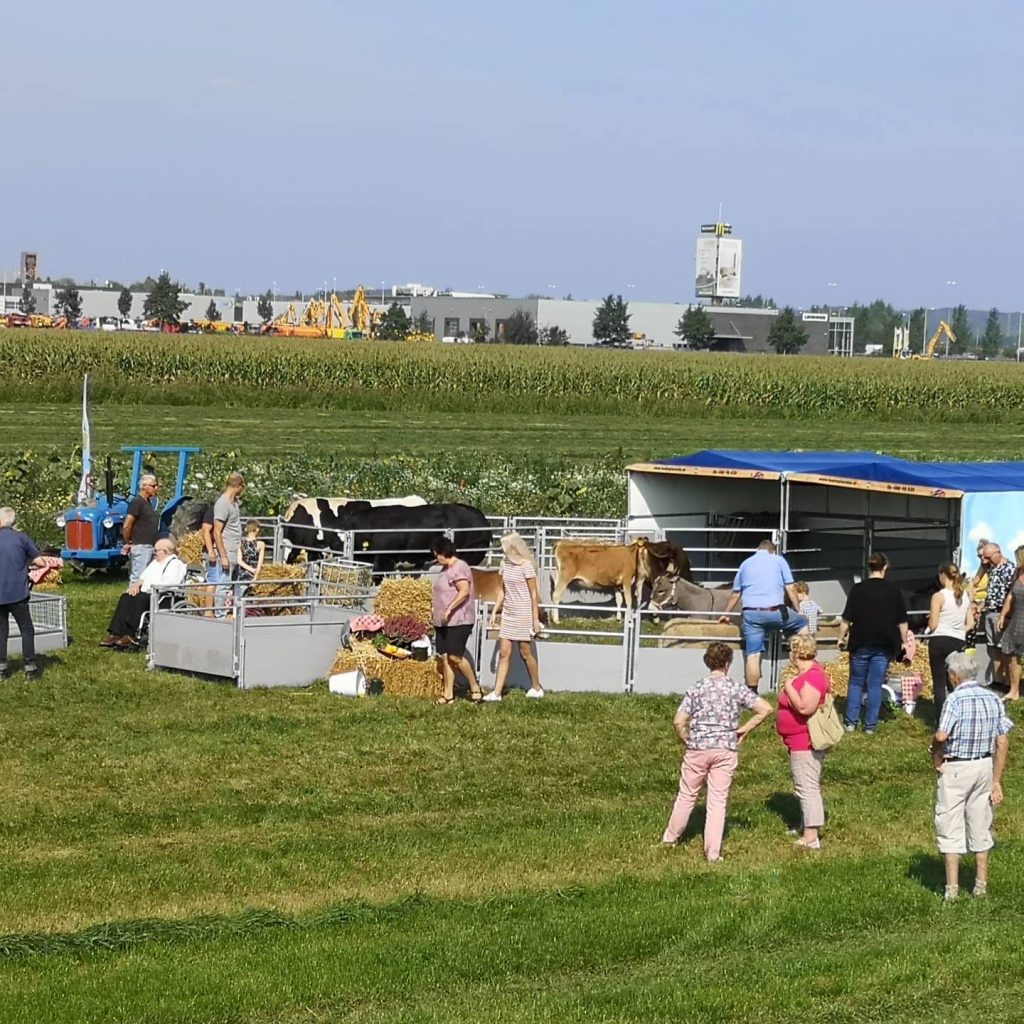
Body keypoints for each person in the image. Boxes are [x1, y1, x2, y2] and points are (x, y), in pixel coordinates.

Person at [661, 642, 773, 861]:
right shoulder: (735, 688)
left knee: (687, 795)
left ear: (707, 662)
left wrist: (686, 737)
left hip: (698, 748)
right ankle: (713, 853)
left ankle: (670, 839)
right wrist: (744, 729)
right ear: (728, 664)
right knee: (717, 801)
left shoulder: (697, 688)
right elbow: (765, 709)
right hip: (725, 748)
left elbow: (679, 720)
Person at [931, 650, 1012, 901]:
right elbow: (1002, 741)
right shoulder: (994, 699)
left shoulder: (954, 701)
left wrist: (936, 756)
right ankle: (980, 885)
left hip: (958, 767)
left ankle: (952, 889)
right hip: (984, 765)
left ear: (954, 676)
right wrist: (996, 779)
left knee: (950, 822)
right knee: (980, 821)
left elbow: (942, 736)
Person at [719, 539, 809, 690]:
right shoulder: (779, 560)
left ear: (757, 549)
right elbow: (790, 588)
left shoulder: (745, 564)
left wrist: (725, 614)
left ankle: (752, 694)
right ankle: (804, 669)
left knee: (753, 655)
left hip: (752, 614)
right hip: (775, 611)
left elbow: (735, 594)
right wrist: (798, 610)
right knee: (803, 624)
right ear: (772, 551)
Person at [838, 552, 908, 734]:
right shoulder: (893, 590)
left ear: (869, 567)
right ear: (885, 567)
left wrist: (841, 638)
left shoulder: (857, 589)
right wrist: (903, 642)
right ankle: (870, 726)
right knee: (875, 684)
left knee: (855, 682)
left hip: (860, 641)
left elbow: (846, 618)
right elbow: (902, 621)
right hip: (884, 643)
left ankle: (850, 723)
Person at [776, 634, 831, 850]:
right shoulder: (806, 674)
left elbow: (805, 707)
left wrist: (789, 687)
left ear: (796, 652)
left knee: (807, 786)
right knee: (803, 785)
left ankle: (811, 836)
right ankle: (805, 825)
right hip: (796, 740)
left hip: (804, 741)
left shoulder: (813, 677)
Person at [484, 533, 544, 702]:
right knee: (504, 653)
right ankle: (496, 692)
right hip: (508, 613)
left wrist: (535, 619)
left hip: (523, 613)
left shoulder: (526, 566)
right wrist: (495, 611)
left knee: (526, 652)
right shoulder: (504, 565)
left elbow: (533, 594)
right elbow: (502, 590)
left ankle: (536, 686)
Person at [100, 537, 187, 649]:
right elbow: (142, 578)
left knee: (141, 599)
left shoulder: (175, 564)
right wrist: (135, 586)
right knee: (126, 597)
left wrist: (148, 589)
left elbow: (168, 584)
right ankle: (116, 633)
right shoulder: (155, 563)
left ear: (165, 551)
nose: (154, 553)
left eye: (156, 551)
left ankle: (131, 634)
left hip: (163, 596)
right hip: (148, 593)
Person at [431, 537, 483, 704]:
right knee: (446, 657)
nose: (436, 558)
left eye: (436, 554)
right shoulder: (445, 569)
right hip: (443, 621)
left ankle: (474, 687)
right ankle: (448, 694)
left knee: (455, 656)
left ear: (443, 553)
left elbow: (464, 591)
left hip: (459, 619)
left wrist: (449, 608)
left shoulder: (460, 567)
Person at [0, 507, 47, 680]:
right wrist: (27, 565)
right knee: (26, 629)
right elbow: (40, 562)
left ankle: (2, 669)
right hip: (18, 593)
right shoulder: (21, 538)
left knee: (1, 631)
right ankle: (30, 667)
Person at [927, 562, 974, 716]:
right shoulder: (965, 596)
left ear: (943, 576)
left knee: (939, 683)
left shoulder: (938, 596)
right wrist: (958, 630)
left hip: (939, 639)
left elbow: (933, 625)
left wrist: (930, 619)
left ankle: (941, 720)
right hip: (958, 641)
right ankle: (961, 714)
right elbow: (971, 624)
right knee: (956, 681)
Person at [980, 542, 1015, 688]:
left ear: (998, 553)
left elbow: (1012, 595)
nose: (985, 561)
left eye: (987, 558)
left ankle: (1008, 682)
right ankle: (997, 680)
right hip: (989, 611)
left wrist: (1006, 616)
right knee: (992, 648)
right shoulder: (992, 569)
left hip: (1002, 613)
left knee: (1004, 649)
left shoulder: (1010, 569)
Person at [213, 472, 246, 618]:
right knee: (224, 584)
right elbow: (217, 531)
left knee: (235, 584)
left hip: (235, 550)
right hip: (227, 550)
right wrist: (223, 556)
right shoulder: (223, 504)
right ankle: (220, 615)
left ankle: (233, 613)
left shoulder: (234, 504)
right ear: (238, 486)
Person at [997, 545, 1024, 702]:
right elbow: (1010, 596)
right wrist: (1003, 615)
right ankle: (1014, 691)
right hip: (1018, 619)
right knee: (1012, 653)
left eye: (1018, 558)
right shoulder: (1017, 573)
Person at [122, 473, 160, 585]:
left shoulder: (147, 503)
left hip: (149, 546)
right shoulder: (137, 502)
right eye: (153, 486)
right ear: (144, 487)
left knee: (147, 578)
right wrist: (128, 541)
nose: (156, 488)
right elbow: (127, 525)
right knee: (138, 577)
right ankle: (132, 600)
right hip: (141, 546)